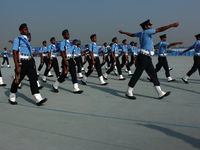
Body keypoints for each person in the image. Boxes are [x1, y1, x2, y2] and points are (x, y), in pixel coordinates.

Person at [119, 19, 179, 99]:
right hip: (143, 57)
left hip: (146, 57)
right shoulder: (147, 32)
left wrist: (123, 32)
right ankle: (129, 91)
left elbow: (131, 34)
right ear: (146, 26)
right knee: (137, 74)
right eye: (150, 25)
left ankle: (160, 92)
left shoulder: (141, 33)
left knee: (153, 74)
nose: (151, 27)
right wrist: (171, 25)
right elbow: (160, 29)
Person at [9, 23, 47, 106]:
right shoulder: (17, 40)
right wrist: (17, 66)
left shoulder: (27, 41)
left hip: (29, 61)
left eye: (27, 29)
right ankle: (12, 95)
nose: (27, 30)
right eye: (25, 29)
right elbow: (15, 53)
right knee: (18, 80)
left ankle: (38, 98)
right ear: (20, 31)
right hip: (22, 62)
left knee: (33, 79)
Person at [52, 29, 83, 94]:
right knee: (64, 75)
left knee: (74, 73)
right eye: (66, 34)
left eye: (68, 34)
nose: (68, 35)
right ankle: (55, 85)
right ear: (63, 35)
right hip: (66, 59)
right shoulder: (62, 43)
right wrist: (65, 61)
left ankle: (76, 88)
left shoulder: (69, 43)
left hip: (71, 59)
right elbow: (62, 52)